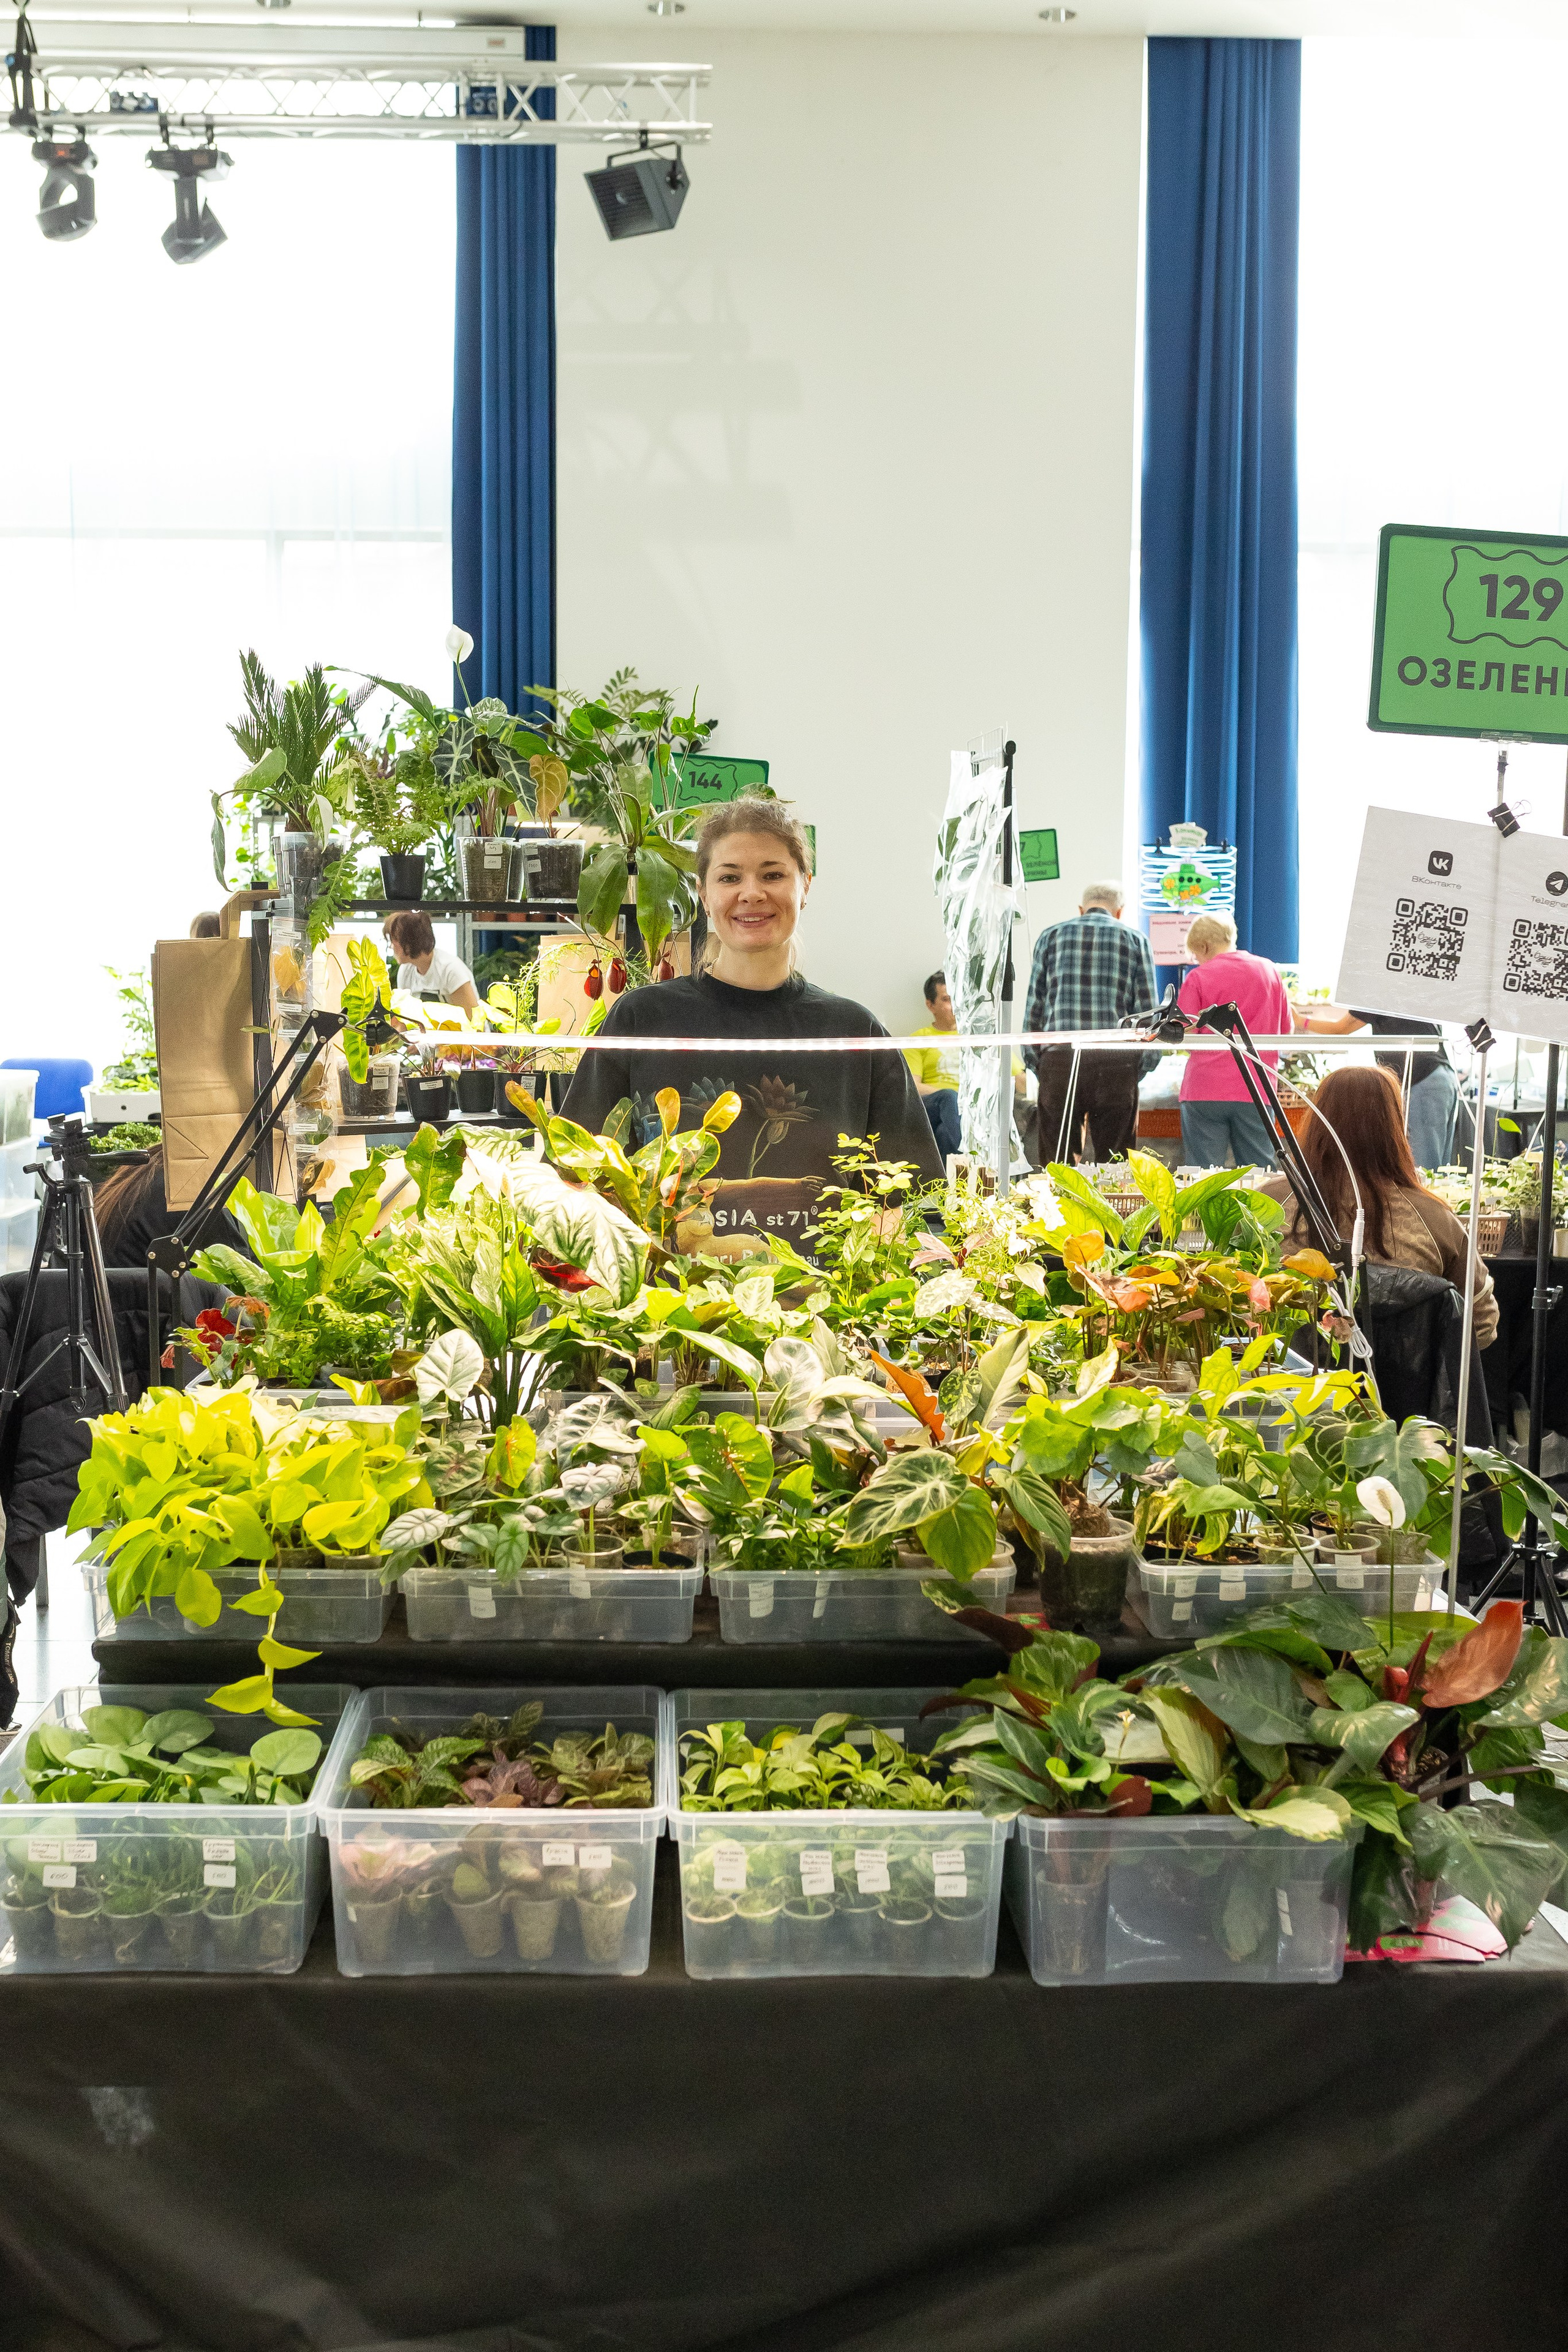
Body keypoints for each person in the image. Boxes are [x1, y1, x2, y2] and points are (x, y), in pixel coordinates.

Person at [559, 801, 941, 1251]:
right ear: (704, 894)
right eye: (730, 877)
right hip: (668, 1311)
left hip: (825, 1313)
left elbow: (922, 1204)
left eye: (773, 874)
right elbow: (573, 1178)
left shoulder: (854, 1031)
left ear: (806, 887)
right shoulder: (643, 1019)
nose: (752, 892)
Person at [1264, 1065, 1496, 1349]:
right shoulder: (1436, 1220)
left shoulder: (1268, 1204)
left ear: (1316, 1118)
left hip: (1284, 1384)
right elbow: (1482, 1325)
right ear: (1395, 1126)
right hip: (1402, 1391)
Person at [1024, 881, 1157, 1162]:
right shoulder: (1135, 940)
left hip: (1060, 1058)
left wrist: (1040, 1063)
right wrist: (1140, 1066)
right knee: (1115, 1164)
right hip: (1116, 1061)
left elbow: (1034, 1007)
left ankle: (1057, 1206)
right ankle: (1113, 1206)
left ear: (1081, 909)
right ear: (1120, 912)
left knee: (1058, 1165)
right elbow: (1148, 1013)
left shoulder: (1050, 937)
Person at [1176, 912, 1293, 1168]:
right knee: (1261, 1173)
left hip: (1204, 1089)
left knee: (1202, 1177)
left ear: (1204, 946)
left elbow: (1185, 1034)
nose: (1198, 961)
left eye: (1197, 954)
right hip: (1257, 1087)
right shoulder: (1270, 971)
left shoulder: (1198, 977)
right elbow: (1286, 1030)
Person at [1291, 996, 1458, 1172]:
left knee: (1424, 1170)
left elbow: (1341, 1028)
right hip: (1438, 1077)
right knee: (1435, 1171)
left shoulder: (1377, 990)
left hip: (1423, 1081)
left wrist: (1300, 1020)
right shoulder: (1406, 984)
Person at [903, 970, 1024, 1164]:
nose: (956, 1006)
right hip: (934, 1105)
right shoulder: (920, 1039)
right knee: (949, 1098)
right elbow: (913, 1087)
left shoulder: (978, 1036)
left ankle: (951, 1188)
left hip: (968, 1110)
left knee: (945, 1133)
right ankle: (976, 1161)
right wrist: (956, 1098)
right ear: (930, 1005)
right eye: (947, 999)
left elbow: (1021, 1081)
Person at [382, 912, 480, 1015]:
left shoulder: (450, 970)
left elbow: (474, 1023)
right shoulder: (405, 970)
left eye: (393, 940)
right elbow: (404, 1019)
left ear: (409, 941)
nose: (391, 947)